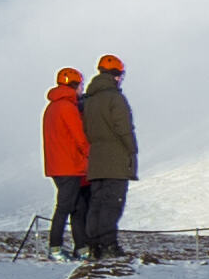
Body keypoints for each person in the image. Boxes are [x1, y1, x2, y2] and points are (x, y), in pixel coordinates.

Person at [76, 54, 138, 256]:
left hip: (96, 160)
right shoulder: (115, 98)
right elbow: (124, 128)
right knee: (113, 204)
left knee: (97, 204)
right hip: (115, 159)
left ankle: (94, 246)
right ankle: (109, 246)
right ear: (116, 75)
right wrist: (131, 150)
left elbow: (86, 129)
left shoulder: (89, 100)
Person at [41, 67, 92, 255]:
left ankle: (81, 247)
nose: (82, 90)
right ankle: (55, 247)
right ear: (75, 85)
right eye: (80, 85)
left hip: (58, 166)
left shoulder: (52, 107)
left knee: (77, 207)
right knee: (66, 207)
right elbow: (79, 136)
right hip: (70, 166)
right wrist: (90, 155)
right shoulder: (67, 107)